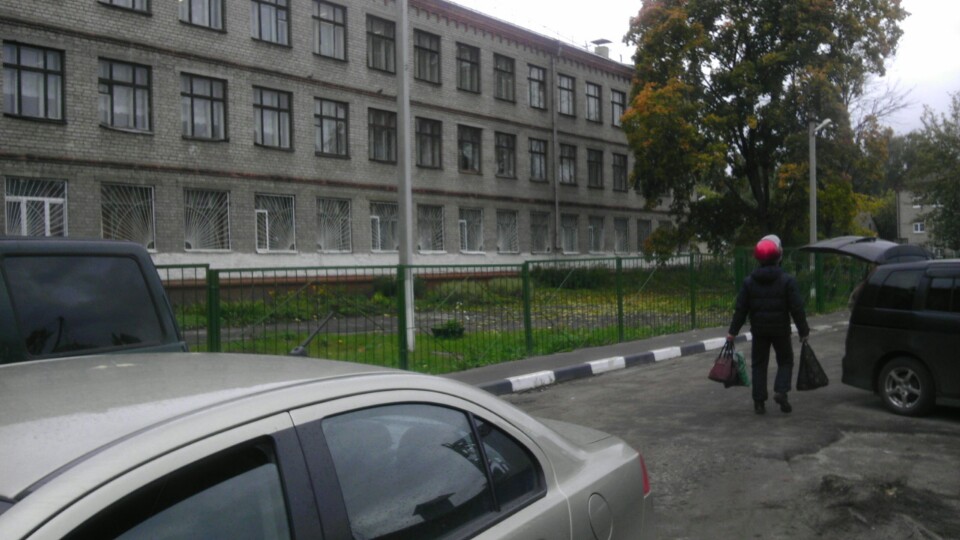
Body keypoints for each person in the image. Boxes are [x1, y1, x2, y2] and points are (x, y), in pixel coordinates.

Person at [727, 235, 810, 415]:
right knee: (785, 360)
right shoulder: (787, 280)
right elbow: (797, 308)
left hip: (759, 331)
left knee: (759, 364)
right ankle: (781, 391)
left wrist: (732, 332)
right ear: (778, 256)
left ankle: (759, 402)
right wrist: (803, 331)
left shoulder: (749, 282)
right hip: (781, 330)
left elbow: (741, 309)